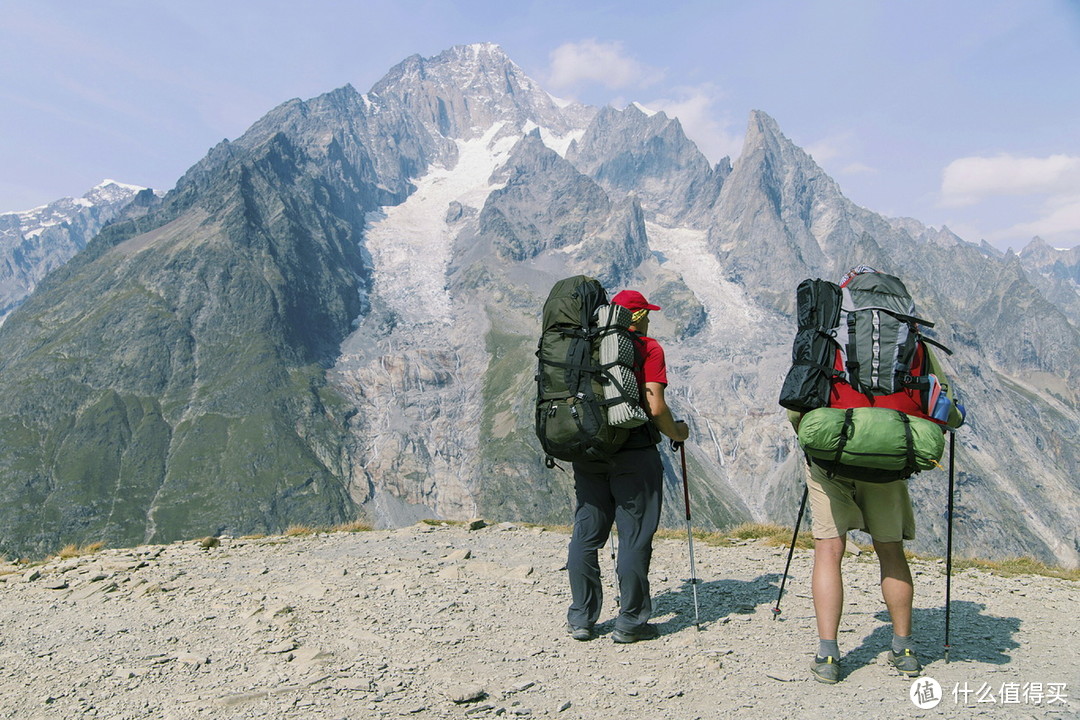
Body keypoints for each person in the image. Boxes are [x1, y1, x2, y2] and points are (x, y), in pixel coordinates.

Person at [788, 267, 958, 683]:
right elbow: (943, 405)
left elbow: (797, 403)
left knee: (830, 551)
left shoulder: (829, 333)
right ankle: (903, 650)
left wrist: (814, 440)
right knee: (890, 551)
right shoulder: (913, 339)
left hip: (832, 458)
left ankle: (828, 656)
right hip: (890, 458)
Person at [566, 289, 690, 643]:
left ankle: (582, 618)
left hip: (588, 452)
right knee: (634, 535)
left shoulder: (584, 345)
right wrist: (677, 432)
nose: (650, 318)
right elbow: (655, 406)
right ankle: (631, 622)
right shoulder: (649, 348)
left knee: (587, 534)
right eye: (646, 313)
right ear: (634, 317)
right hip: (633, 453)